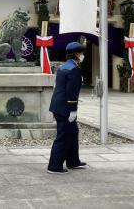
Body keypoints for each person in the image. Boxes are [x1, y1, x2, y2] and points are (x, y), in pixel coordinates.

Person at [47, 41, 88, 174]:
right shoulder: (74, 70)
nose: (82, 55)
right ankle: (54, 166)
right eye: (81, 53)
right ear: (76, 54)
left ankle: (73, 161)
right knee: (63, 136)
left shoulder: (63, 67)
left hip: (57, 106)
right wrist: (72, 110)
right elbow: (71, 92)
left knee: (73, 132)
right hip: (65, 108)